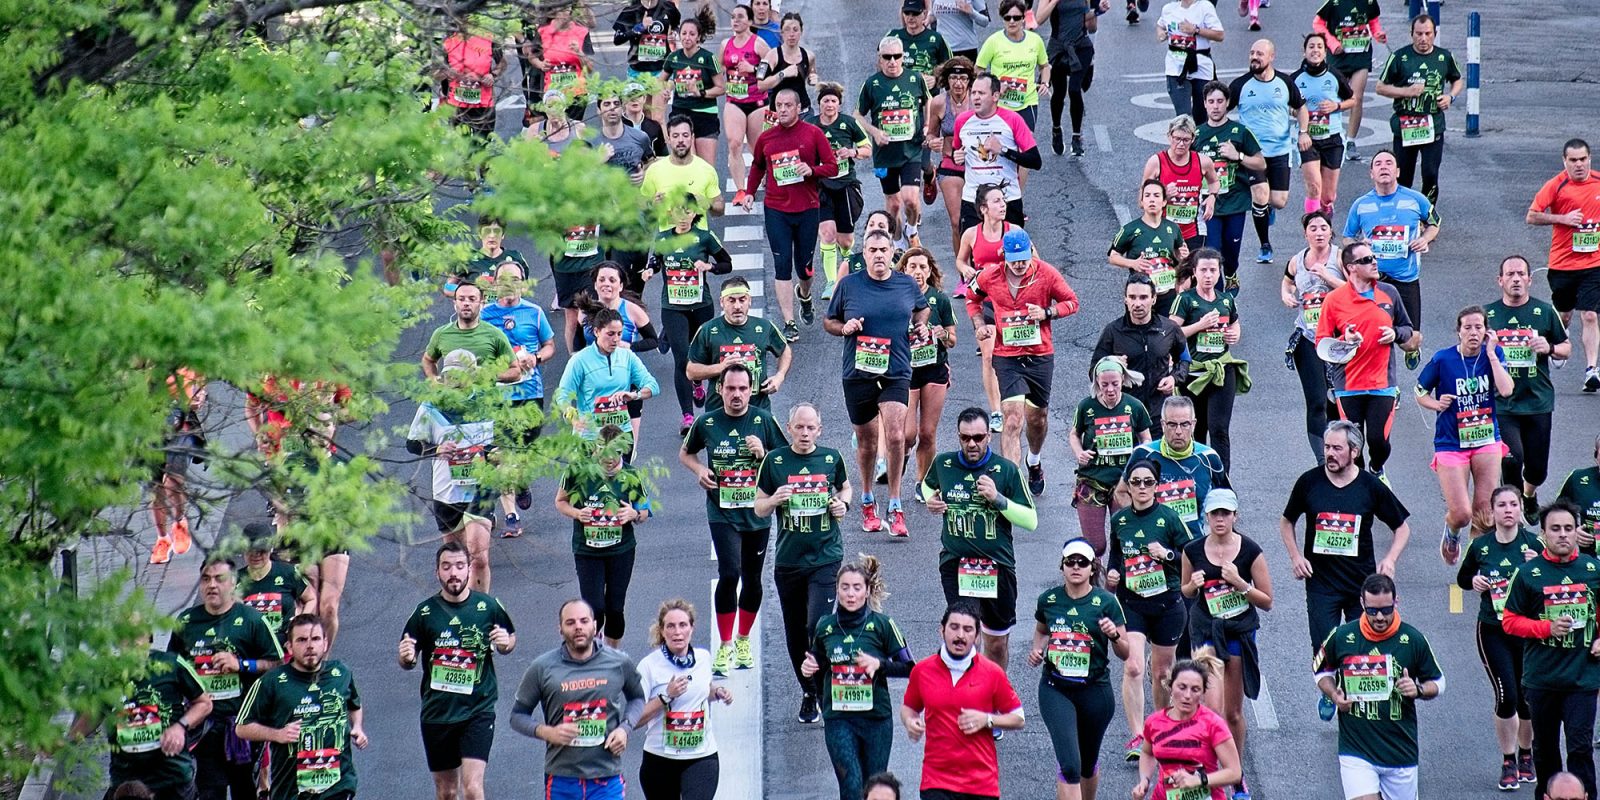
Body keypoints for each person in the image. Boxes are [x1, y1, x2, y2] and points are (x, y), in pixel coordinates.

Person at [1281, 420, 1411, 719]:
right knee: (1324, 646)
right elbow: (1287, 520)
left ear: (1354, 451)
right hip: (1321, 583)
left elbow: (1402, 527)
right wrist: (1295, 557)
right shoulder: (1309, 482)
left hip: (1359, 585)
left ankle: (1356, 700)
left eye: (1337, 448)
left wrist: (1390, 559)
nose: (1330, 453)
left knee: (1361, 648)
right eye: (1327, 447)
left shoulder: (1369, 487)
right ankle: (1331, 690)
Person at [680, 363, 789, 675]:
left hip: (757, 511)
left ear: (750, 390)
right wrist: (700, 470)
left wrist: (763, 453)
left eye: (743, 388)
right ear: (720, 390)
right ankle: (725, 645)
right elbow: (686, 454)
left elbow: (786, 461)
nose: (737, 394)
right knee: (730, 573)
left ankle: (743, 639)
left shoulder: (763, 420)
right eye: (731, 388)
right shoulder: (708, 422)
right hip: (722, 510)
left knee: (753, 580)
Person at [825, 228, 930, 537]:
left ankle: (895, 504)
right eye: (873, 250)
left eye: (884, 250)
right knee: (868, 442)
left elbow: (922, 308)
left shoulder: (906, 284)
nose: (879, 255)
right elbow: (828, 321)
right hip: (858, 373)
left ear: (891, 253)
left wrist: (920, 327)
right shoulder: (849, 285)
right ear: (865, 255)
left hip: (896, 369)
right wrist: (845, 328)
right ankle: (868, 498)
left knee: (897, 435)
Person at [754, 402, 854, 722]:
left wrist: (843, 505)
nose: (806, 433)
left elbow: (846, 489)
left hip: (825, 555)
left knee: (817, 624)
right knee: (796, 633)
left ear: (820, 430)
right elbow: (758, 506)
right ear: (790, 428)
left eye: (811, 428)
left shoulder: (830, 458)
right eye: (800, 427)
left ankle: (825, 688)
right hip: (789, 561)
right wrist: (774, 500)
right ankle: (809, 691)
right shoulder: (775, 461)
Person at [921, 407, 1039, 667]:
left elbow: (1031, 521)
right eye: (965, 438)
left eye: (978, 437)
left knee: (996, 644)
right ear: (958, 436)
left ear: (989, 436)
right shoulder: (944, 463)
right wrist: (931, 498)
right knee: (966, 635)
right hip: (957, 563)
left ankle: (994, 697)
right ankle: (967, 696)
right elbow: (927, 484)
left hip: (997, 565)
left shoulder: (1006, 470)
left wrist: (998, 499)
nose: (972, 443)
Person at [398, 543, 516, 800]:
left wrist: (505, 644)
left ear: (469, 569)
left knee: (472, 788)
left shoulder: (488, 606)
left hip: (478, 709)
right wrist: (406, 658)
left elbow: (510, 638)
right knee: (447, 792)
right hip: (438, 713)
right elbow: (407, 658)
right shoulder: (424, 613)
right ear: (437, 572)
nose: (454, 573)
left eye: (460, 566)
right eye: (447, 567)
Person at [967, 228, 1078, 493]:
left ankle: (1034, 461)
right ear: (1003, 255)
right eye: (1014, 259)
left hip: (1039, 355)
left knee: (1036, 418)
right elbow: (972, 298)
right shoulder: (989, 276)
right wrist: (979, 323)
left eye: (1024, 258)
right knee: (1013, 419)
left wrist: (1047, 311)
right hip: (1007, 357)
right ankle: (1011, 484)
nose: (1019, 264)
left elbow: (1072, 302)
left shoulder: (1046, 273)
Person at [1313, 573, 1443, 800]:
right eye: (1372, 611)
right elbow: (1321, 671)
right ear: (1362, 603)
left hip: (1400, 751)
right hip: (1356, 750)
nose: (1380, 617)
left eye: (1386, 609)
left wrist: (1419, 690)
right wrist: (1334, 695)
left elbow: (1439, 682)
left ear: (1396, 602)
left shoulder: (1412, 639)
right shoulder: (1343, 636)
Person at [1502, 501, 1600, 799]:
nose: (1563, 535)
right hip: (1542, 678)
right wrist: (1547, 628)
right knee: (1545, 752)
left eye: (1569, 529)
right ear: (1543, 533)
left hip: (1582, 677)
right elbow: (1509, 621)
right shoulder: (1529, 573)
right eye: (1555, 529)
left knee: (1580, 749)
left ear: (1577, 531)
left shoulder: (1592, 569)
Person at [1180, 489, 1270, 800]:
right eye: (1214, 514)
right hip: (1206, 631)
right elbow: (1187, 592)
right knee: (1212, 708)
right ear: (1206, 517)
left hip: (1239, 633)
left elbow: (1267, 600)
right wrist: (1192, 586)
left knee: (1232, 713)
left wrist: (1241, 584)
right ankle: (1209, 774)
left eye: (1225, 513)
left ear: (1235, 516)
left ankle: (1237, 775)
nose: (1220, 519)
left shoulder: (1250, 552)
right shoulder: (1192, 550)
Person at [167, 558, 282, 800]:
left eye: (219, 579)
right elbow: (171, 670)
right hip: (204, 726)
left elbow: (277, 664)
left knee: (244, 789)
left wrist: (241, 664)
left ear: (232, 584)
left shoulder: (251, 619)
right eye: (206, 579)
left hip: (242, 725)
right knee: (210, 790)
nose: (212, 585)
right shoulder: (187, 622)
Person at [801, 557, 915, 800]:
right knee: (851, 785)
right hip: (839, 719)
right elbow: (817, 660)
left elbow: (910, 668)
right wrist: (809, 667)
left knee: (875, 787)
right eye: (845, 587)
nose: (850, 594)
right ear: (837, 589)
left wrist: (880, 665)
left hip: (876, 719)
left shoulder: (883, 625)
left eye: (856, 588)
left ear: (867, 591)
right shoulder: (825, 626)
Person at [510, 599, 645, 800]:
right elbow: (517, 716)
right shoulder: (542, 667)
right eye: (570, 623)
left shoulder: (618, 661)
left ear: (595, 625)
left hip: (606, 777)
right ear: (560, 629)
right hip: (562, 778)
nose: (578, 627)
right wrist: (547, 732)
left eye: (584, 621)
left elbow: (637, 698)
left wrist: (624, 729)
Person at [1028, 539, 1128, 800]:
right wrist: (1038, 650)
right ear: (1062, 566)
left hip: (1095, 690)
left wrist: (1114, 635)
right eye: (1070, 562)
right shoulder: (1048, 600)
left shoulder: (1106, 602)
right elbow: (1041, 631)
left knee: (1086, 763)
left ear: (1092, 569)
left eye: (1082, 562)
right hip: (1056, 688)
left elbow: (1125, 652)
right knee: (1070, 766)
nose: (1075, 567)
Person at [1456, 486, 1540, 789]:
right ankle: (1508, 760)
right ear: (1492, 511)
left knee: (1527, 697)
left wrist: (1539, 565)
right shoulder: (1482, 547)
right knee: (1507, 696)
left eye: (1513, 504)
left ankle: (1527, 754)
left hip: (1528, 630)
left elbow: (1552, 588)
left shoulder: (1534, 545)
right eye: (1501, 505)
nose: (1508, 510)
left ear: (1520, 510)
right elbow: (1463, 578)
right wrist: (1475, 581)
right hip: (1493, 629)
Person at [1418, 305, 1515, 565]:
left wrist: (1493, 355)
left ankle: (1477, 562)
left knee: (1484, 513)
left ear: (1486, 331)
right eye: (1468, 327)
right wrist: (1436, 404)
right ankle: (1452, 532)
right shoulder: (1443, 359)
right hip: (1451, 442)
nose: (1473, 332)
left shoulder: (1493, 355)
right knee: (1462, 513)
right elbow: (1419, 391)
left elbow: (1506, 390)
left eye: (1479, 327)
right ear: (1458, 331)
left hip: (1486, 440)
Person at [900, 601, 1026, 800]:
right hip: (936, 781)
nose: (960, 635)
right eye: (954, 627)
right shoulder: (922, 671)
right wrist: (910, 721)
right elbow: (909, 707)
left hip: (981, 784)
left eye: (968, 629)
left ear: (977, 637)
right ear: (942, 631)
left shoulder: (992, 673)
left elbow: (1018, 718)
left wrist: (988, 720)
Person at [1106, 459, 1189, 762]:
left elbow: (1190, 558)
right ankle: (1138, 736)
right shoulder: (1120, 520)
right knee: (1133, 667)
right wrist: (1112, 574)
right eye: (1136, 482)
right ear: (1127, 485)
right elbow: (1116, 557)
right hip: (1132, 604)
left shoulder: (1169, 518)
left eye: (1148, 482)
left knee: (1162, 672)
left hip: (1167, 604)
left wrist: (1166, 553)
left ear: (1157, 486)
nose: (1142, 487)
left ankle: (1161, 728)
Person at [741, 88, 839, 341]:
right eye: (778, 105)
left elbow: (832, 166)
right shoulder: (767, 138)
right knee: (782, 265)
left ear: (798, 108)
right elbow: (757, 166)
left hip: (807, 209)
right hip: (776, 209)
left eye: (787, 105)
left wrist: (812, 169)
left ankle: (805, 296)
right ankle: (789, 321)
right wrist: (749, 192)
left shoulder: (813, 134)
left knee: (804, 268)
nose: (782, 109)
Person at [1313, 241, 1415, 480]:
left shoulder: (1389, 293)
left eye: (1373, 257)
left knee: (1379, 441)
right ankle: (1359, 486)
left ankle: (1377, 469)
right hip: (1349, 385)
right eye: (1367, 259)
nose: (1374, 262)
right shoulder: (1335, 300)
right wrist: (1344, 339)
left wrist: (1395, 334)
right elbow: (1321, 342)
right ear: (1351, 268)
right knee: (1353, 444)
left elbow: (1407, 329)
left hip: (1382, 383)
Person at [236, 614, 367, 800]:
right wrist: (277, 734)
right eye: (302, 640)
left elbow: (354, 704)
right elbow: (242, 727)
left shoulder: (341, 674)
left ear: (325, 642)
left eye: (315, 639)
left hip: (337, 785)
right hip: (291, 789)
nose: (310, 646)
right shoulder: (272, 682)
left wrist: (357, 728)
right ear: (289, 646)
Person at [1482, 258, 1569, 518]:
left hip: (1538, 400)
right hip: (1502, 403)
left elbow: (1566, 347)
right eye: (1510, 274)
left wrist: (1550, 348)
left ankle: (1529, 494)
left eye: (1521, 274)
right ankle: (1513, 507)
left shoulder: (1544, 311)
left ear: (1530, 280)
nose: (1516, 279)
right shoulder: (1489, 315)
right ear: (1500, 280)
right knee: (1511, 459)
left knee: (1537, 469)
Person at [78, 639, 212, 800]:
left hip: (172, 777)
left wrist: (180, 727)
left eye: (137, 635)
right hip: (126, 779)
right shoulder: (108, 674)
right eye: (126, 636)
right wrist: (66, 741)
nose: (132, 642)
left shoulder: (171, 664)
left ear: (149, 638)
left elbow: (204, 703)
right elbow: (94, 714)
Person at [408, 350, 497, 592]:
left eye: (460, 374)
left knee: (479, 557)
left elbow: (503, 442)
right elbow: (413, 444)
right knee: (456, 561)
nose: (454, 380)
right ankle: (459, 608)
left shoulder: (488, 403)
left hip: (481, 489)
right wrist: (437, 448)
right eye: (450, 374)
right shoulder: (431, 406)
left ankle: (480, 610)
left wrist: (494, 456)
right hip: (447, 491)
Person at [480, 261, 557, 536]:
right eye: (504, 279)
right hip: (496, 397)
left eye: (515, 279)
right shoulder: (484, 315)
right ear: (495, 283)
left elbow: (550, 346)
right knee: (500, 455)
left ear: (523, 283)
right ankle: (511, 515)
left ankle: (522, 480)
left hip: (529, 393)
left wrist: (535, 358)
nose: (509, 284)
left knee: (522, 453)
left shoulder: (534, 313)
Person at [1342, 148, 1438, 369]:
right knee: (1370, 336)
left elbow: (1435, 223)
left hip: (1405, 278)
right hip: (1373, 281)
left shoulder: (1416, 200)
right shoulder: (1361, 205)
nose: (1383, 167)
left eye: (1388, 163)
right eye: (1378, 164)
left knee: (1410, 342)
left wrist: (1425, 239)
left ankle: (1401, 339)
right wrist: (1358, 246)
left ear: (1397, 171)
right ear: (1371, 173)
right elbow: (1347, 237)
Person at [557, 426, 651, 649]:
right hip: (587, 550)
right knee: (594, 607)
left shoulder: (632, 475)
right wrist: (578, 513)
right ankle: (592, 650)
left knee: (615, 608)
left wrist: (634, 514)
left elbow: (645, 511)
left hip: (621, 550)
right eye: (603, 452)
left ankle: (611, 656)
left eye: (615, 453)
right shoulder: (577, 472)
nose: (609, 459)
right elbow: (561, 501)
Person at [643, 205, 733, 434]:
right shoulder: (663, 238)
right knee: (682, 357)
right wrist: (650, 271)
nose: (682, 217)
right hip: (672, 307)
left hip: (701, 306)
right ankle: (688, 417)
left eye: (688, 212)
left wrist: (709, 266)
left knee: (702, 354)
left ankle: (699, 384)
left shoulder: (704, 237)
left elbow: (727, 263)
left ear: (695, 214)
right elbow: (656, 260)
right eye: (677, 212)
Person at [633, 600, 733, 800]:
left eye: (683, 625)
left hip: (701, 756)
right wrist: (666, 696)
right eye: (670, 626)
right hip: (659, 758)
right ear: (662, 631)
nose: (677, 632)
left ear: (692, 629)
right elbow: (634, 718)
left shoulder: (703, 658)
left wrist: (718, 692)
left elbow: (703, 690)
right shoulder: (649, 666)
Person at [1526, 138, 1600, 393]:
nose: (1579, 165)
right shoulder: (1557, 185)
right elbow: (1532, 215)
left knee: (1589, 314)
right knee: (1564, 315)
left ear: (1590, 159)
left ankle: (1592, 370)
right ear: (1564, 161)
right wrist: (1563, 218)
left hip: (1594, 263)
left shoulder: (1598, 182)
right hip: (1563, 264)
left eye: (1583, 159)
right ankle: (1560, 340)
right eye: (1573, 160)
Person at [1229, 39, 1308, 265]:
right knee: (1260, 195)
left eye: (1260, 54)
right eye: (1252, 52)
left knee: (1279, 200)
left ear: (1271, 57)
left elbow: (1301, 108)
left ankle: (1267, 209)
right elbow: (1222, 110)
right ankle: (1265, 244)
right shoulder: (1240, 85)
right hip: (1254, 153)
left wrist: (1303, 132)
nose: (1255, 57)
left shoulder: (1284, 82)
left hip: (1280, 150)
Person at [1374, 14, 1462, 207]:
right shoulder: (1399, 57)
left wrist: (1450, 97)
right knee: (1404, 174)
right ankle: (1404, 213)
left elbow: (1457, 79)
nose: (1423, 39)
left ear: (1434, 34)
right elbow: (1380, 87)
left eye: (1427, 34)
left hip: (1433, 124)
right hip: (1405, 126)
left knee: (1430, 173)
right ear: (1411, 34)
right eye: (1419, 34)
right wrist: (1406, 92)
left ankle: (1427, 214)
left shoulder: (1444, 57)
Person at [1168, 249, 1242, 472]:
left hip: (1221, 370)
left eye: (1213, 270)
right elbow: (1171, 333)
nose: (1208, 275)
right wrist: (1199, 325)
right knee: (1196, 429)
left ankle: (1221, 479)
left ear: (1219, 274)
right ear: (1194, 272)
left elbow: (1235, 323)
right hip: (1194, 373)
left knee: (1219, 428)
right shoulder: (1185, 300)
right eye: (1204, 270)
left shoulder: (1226, 300)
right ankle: (1197, 474)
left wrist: (1235, 333)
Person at [1072, 359, 1155, 556]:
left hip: (1124, 482)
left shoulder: (1134, 406)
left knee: (1125, 542)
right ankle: (1092, 583)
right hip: (1092, 480)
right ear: (1097, 383)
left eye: (1115, 384)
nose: (1110, 390)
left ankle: (1121, 582)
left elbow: (1146, 438)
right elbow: (1074, 434)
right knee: (1095, 547)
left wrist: (1138, 457)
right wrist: (1079, 453)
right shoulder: (1086, 406)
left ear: (1123, 380)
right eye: (1104, 385)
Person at [1130, 656, 1242, 800]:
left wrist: (1199, 780)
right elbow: (1147, 753)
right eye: (1182, 687)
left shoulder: (1213, 724)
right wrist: (1144, 781)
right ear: (1170, 687)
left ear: (1202, 694)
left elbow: (1234, 772)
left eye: (1195, 689)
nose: (1187, 695)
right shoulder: (1154, 722)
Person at [956, 183, 1021, 430]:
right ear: (983, 208)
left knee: (1013, 354)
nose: (1003, 204)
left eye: (1003, 200)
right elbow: (960, 261)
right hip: (983, 300)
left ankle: (1012, 401)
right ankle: (996, 411)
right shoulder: (971, 234)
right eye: (996, 201)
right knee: (988, 355)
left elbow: (1034, 260)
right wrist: (966, 270)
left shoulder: (1013, 231)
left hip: (1012, 301)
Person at [1281, 211, 1345, 460]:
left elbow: (1357, 289)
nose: (1319, 232)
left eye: (1323, 228)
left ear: (1331, 232)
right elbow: (1287, 281)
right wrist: (1286, 294)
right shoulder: (1297, 260)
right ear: (1305, 233)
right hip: (1307, 338)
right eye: (1313, 228)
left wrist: (1328, 277)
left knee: (1338, 402)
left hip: (1340, 341)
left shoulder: (1340, 258)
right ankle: (1322, 460)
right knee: (1317, 401)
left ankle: (1344, 453)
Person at [856, 37, 932, 246]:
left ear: (902, 58)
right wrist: (874, 132)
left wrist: (926, 125)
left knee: (910, 199)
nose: (892, 61)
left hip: (911, 150)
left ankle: (912, 228)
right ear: (879, 59)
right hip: (886, 155)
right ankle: (897, 243)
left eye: (896, 57)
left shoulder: (915, 78)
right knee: (893, 203)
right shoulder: (872, 83)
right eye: (887, 57)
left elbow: (928, 100)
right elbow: (857, 115)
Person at [1121, 396, 1227, 543]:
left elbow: (1227, 500)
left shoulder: (1209, 458)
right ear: (1163, 425)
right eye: (1172, 424)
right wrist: (1141, 524)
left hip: (1194, 546)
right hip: (1154, 545)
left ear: (1193, 424)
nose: (1178, 431)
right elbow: (1121, 492)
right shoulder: (1143, 454)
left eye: (1184, 424)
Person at [685, 277, 792, 412]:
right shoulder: (708, 330)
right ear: (722, 302)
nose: (737, 306)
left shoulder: (764, 327)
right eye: (731, 300)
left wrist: (779, 376)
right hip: (719, 412)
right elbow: (691, 371)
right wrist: (720, 368)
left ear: (750, 301)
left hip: (758, 411)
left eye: (742, 300)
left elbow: (784, 350)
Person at [1195, 81, 1264, 291]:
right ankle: (1216, 295)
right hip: (1210, 204)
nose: (1215, 106)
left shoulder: (1240, 131)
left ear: (1227, 104)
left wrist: (1238, 156)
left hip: (1235, 201)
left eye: (1220, 101)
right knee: (1213, 249)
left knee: (1231, 250)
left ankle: (1232, 272)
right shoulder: (1196, 135)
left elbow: (1260, 163)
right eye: (1211, 102)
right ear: (1205, 104)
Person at [554, 306, 659, 442]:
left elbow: (653, 386)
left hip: (621, 435)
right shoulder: (579, 360)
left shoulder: (627, 356)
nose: (616, 339)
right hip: (590, 437)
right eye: (610, 334)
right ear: (597, 332)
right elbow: (562, 396)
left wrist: (634, 395)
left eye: (619, 334)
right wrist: (573, 418)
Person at [975, 0, 1050, 193]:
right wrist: (997, 86)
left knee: (1024, 149)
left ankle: (1017, 195)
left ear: (1024, 18)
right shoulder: (994, 41)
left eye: (1017, 17)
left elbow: (1044, 66)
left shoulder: (1035, 41)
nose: (1012, 21)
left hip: (1027, 103)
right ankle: (997, 191)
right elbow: (979, 70)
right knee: (1000, 147)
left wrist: (1044, 83)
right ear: (1003, 19)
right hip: (1001, 105)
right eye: (1008, 18)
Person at [1092, 274, 1192, 417]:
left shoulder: (1170, 328)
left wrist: (1174, 378)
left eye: (1143, 297)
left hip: (1159, 411)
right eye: (1132, 297)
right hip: (1124, 412)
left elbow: (1185, 359)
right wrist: (1110, 364)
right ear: (1125, 300)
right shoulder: (1113, 331)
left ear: (1154, 299)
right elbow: (1094, 369)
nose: (1137, 303)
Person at [953, 73, 1041, 231]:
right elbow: (957, 152)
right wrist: (956, 157)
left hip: (1007, 198)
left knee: (1011, 254)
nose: (976, 98)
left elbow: (1035, 161)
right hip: (973, 199)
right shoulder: (962, 121)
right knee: (975, 254)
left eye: (981, 93)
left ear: (995, 96)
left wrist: (1003, 150)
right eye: (973, 93)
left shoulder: (1013, 119)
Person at [811, 81, 873, 300]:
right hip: (820, 187)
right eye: (825, 100)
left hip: (846, 185)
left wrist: (852, 152)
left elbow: (867, 149)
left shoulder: (849, 124)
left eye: (833, 101)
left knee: (845, 240)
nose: (829, 104)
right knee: (827, 234)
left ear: (839, 104)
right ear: (819, 104)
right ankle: (831, 283)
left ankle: (848, 265)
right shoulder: (810, 125)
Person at [901, 249, 957, 485]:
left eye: (923, 267)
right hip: (906, 370)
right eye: (912, 266)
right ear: (904, 269)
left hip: (934, 369)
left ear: (930, 271)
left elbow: (952, 340)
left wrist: (941, 333)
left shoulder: (940, 299)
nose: (918, 272)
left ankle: (922, 482)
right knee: (908, 434)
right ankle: (901, 455)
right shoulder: (896, 297)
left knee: (927, 433)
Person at [1290, 33, 1355, 215]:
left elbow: (1353, 100)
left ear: (1325, 52)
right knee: (1313, 187)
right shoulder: (1295, 79)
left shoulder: (1334, 75)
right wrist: (1298, 112)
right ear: (1304, 52)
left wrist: (1337, 105)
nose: (1315, 50)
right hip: (1307, 139)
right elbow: (1287, 106)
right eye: (1311, 47)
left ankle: (1326, 217)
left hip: (1332, 138)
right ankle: (1312, 226)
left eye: (1319, 47)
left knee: (1327, 196)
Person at [1312, 0, 1383, 163]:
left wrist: (1378, 33)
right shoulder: (1334, 2)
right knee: (1331, 98)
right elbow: (1318, 24)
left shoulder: (1369, 1)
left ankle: (1350, 141)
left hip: (1361, 56)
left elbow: (1373, 21)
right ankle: (1327, 137)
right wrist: (1332, 43)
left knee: (1356, 99)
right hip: (1338, 57)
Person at [1142, 115, 1221, 254]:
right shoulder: (1156, 162)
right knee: (1167, 272)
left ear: (1193, 139)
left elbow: (1214, 181)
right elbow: (1142, 201)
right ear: (1169, 136)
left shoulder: (1203, 162)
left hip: (1194, 230)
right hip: (1163, 228)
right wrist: (1163, 194)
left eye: (1186, 140)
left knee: (1191, 272)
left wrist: (1212, 197)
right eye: (1177, 139)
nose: (1181, 144)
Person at [149, 368, 204, 565]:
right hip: (149, 425)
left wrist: (199, 393)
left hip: (181, 424)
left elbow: (200, 378)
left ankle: (180, 521)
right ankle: (162, 539)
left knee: (173, 480)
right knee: (157, 489)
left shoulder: (184, 356)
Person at [1109, 181, 1189, 309]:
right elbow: (1113, 257)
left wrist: (1183, 256)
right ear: (1141, 202)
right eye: (1147, 196)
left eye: (1156, 195)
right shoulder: (1129, 229)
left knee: (1169, 328)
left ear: (1164, 202)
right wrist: (1133, 263)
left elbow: (1180, 256)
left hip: (1168, 293)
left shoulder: (1173, 228)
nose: (1152, 200)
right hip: (1141, 296)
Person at [1037, 0, 1102, 157]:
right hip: (1059, 47)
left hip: (1081, 45)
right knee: (1059, 91)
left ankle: (1076, 137)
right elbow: (1038, 19)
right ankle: (1056, 129)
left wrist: (1098, 11)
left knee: (1074, 88)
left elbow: (1090, 25)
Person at [422, 282, 520, 383]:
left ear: (481, 304)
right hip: (451, 397)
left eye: (472, 299)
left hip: (484, 397)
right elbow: (428, 360)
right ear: (455, 303)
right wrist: (434, 380)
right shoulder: (441, 334)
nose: (466, 303)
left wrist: (490, 375)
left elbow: (516, 371)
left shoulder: (495, 335)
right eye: (461, 299)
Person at [640, 115, 725, 232]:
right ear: (668, 139)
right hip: (667, 244)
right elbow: (642, 207)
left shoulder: (706, 170)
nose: (681, 140)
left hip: (697, 245)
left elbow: (720, 208)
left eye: (685, 135)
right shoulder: (655, 170)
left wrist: (708, 204)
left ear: (692, 137)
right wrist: (653, 205)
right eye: (675, 136)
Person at [721, 5, 770, 207]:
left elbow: (772, 68)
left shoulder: (758, 44)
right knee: (734, 143)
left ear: (750, 21)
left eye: (740, 17)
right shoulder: (725, 44)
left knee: (758, 147)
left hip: (757, 102)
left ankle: (766, 179)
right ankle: (741, 190)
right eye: (733, 17)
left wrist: (753, 68)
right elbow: (720, 70)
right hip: (734, 102)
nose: (735, 21)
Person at [928, 59, 977, 254]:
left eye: (963, 78)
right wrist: (932, 141)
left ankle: (981, 264)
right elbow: (931, 133)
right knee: (957, 222)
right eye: (954, 78)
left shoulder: (977, 100)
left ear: (969, 81)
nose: (958, 83)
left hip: (976, 164)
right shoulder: (940, 103)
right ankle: (963, 271)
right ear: (946, 80)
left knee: (979, 219)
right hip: (950, 165)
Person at [660, 16, 723, 166]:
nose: (687, 37)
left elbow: (721, 88)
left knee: (706, 167)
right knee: (687, 164)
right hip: (680, 113)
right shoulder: (674, 57)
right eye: (684, 33)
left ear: (698, 37)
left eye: (692, 34)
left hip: (705, 114)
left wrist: (701, 93)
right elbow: (660, 80)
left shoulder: (708, 58)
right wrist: (665, 90)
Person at [236, 523, 313, 641]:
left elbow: (311, 599)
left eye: (261, 550)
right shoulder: (234, 580)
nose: (256, 555)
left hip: (286, 647)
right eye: (250, 550)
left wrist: (299, 624)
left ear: (270, 548)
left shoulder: (288, 572)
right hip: (251, 648)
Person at [1156, 0, 1224, 120]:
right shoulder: (1169, 9)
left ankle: (1200, 138)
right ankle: (1186, 137)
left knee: (1202, 117)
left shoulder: (1205, 7)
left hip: (1201, 66)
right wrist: (1161, 33)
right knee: (1183, 117)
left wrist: (1196, 30)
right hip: (1176, 68)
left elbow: (1219, 35)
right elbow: (1160, 25)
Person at [439, 22, 504, 142]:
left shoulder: (488, 38)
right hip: (457, 105)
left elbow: (502, 63)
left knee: (482, 148)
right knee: (460, 148)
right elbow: (435, 72)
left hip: (484, 104)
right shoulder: (449, 41)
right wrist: (448, 73)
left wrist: (493, 75)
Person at [533, 3, 595, 123]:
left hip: (577, 92)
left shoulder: (581, 31)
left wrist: (579, 52)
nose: (565, 13)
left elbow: (591, 68)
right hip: (552, 91)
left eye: (568, 8)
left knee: (573, 129)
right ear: (554, 10)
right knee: (555, 128)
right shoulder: (543, 31)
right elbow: (532, 55)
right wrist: (540, 64)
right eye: (561, 9)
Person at [757, 13, 818, 115]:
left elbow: (811, 75)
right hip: (777, 113)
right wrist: (783, 74)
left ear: (801, 32)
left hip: (803, 112)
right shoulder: (771, 55)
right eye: (787, 29)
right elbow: (760, 85)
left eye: (795, 30)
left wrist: (812, 80)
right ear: (781, 32)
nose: (791, 34)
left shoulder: (809, 56)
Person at [456, 218, 531, 294]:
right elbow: (449, 287)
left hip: (506, 305)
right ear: (480, 234)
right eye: (487, 231)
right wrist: (469, 296)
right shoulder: (467, 257)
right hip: (478, 305)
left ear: (503, 235)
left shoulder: (515, 257)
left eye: (496, 231)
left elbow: (525, 287)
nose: (492, 235)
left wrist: (508, 293)